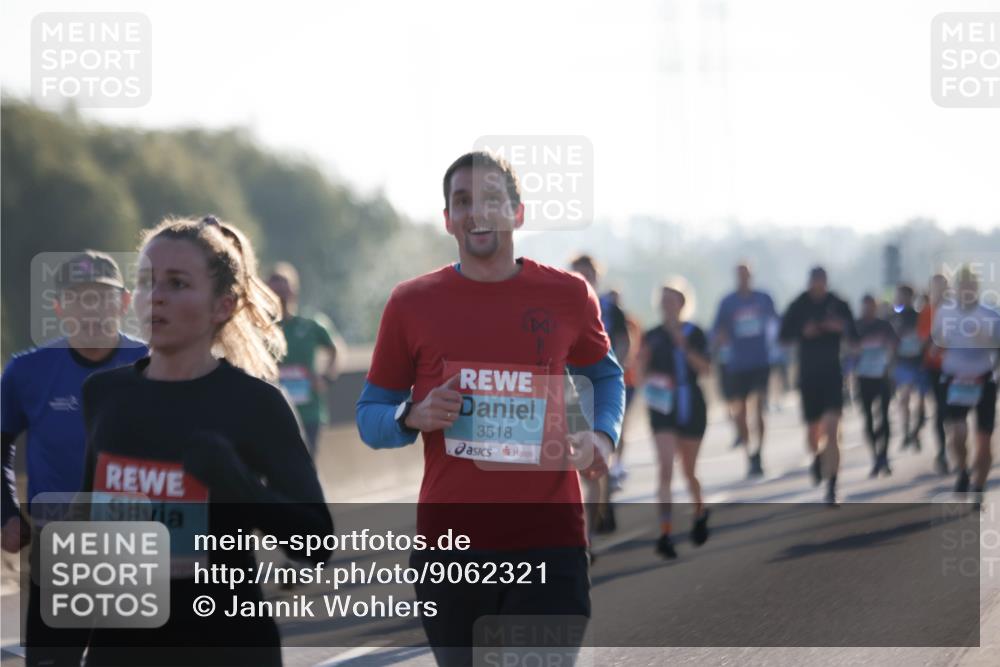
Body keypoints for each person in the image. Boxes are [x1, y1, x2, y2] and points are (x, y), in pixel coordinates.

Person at [355, 151, 624, 666]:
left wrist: (602, 435)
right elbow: (371, 413)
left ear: (517, 213)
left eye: (492, 199)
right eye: (463, 201)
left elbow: (604, 373)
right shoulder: (411, 302)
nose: (477, 212)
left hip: (550, 542)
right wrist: (411, 415)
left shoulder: (566, 295)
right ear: (448, 219)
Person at [79, 216, 333, 666]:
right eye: (145, 281)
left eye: (177, 284)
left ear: (223, 306)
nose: (155, 296)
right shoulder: (104, 394)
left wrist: (237, 484)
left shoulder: (256, 404)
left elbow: (315, 543)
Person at [1, 251, 147, 667]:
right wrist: (5, 513)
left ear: (122, 303)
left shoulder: (152, 364)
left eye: (102, 298)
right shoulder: (26, 372)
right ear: (61, 307)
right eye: (80, 298)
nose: (92, 309)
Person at [638, 280, 711, 559]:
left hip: (691, 404)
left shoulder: (695, 333)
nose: (667, 305)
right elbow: (641, 374)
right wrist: (642, 365)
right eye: (664, 300)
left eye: (673, 300)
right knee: (665, 467)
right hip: (662, 408)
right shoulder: (652, 335)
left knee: (689, 471)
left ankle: (700, 511)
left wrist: (685, 348)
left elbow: (706, 369)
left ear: (683, 303)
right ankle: (665, 532)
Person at [780, 266, 858, 506]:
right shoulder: (798, 305)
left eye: (822, 281)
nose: (818, 286)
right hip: (808, 375)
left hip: (833, 374)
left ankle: (832, 485)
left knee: (833, 429)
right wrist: (804, 331)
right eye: (814, 281)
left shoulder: (838, 303)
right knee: (813, 433)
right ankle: (817, 456)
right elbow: (783, 337)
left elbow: (855, 338)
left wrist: (839, 328)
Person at [931, 267, 1000, 504]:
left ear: (977, 288)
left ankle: (979, 486)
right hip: (955, 379)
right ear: (957, 288)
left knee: (984, 441)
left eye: (971, 285)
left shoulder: (990, 314)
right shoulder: (944, 312)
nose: (967, 290)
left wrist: (987, 341)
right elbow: (937, 342)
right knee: (958, 434)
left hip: (983, 380)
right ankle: (962, 470)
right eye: (963, 285)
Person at [711, 263, 778, 477]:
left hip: (759, 361)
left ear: (752, 276)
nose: (743, 279)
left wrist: (775, 348)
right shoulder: (728, 302)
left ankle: (759, 452)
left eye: (746, 275)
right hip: (737, 363)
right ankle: (749, 451)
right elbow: (716, 330)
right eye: (740, 275)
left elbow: (776, 324)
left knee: (758, 406)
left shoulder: (763, 298)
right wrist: (719, 340)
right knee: (739, 412)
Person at [267, 262, 341, 456]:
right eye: (275, 292)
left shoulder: (311, 324)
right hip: (273, 412)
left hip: (308, 411)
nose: (280, 298)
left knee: (307, 464)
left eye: (284, 290)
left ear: (294, 291)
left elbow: (336, 349)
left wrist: (326, 378)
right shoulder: (261, 329)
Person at [854, 294, 898, 477]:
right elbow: (848, 348)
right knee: (868, 420)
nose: (868, 310)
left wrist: (890, 363)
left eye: (871, 306)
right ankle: (875, 456)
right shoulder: (856, 326)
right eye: (865, 307)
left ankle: (884, 456)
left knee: (885, 417)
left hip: (882, 377)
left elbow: (895, 345)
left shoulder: (884, 325)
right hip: (864, 378)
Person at [918, 274, 951, 474]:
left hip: (955, 368)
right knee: (940, 410)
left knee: (953, 410)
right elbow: (923, 340)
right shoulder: (926, 312)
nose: (938, 291)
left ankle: (956, 444)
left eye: (942, 286)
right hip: (934, 367)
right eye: (935, 287)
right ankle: (942, 451)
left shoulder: (956, 309)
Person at [892, 284, 927, 451]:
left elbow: (926, 337)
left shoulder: (919, 316)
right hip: (903, 363)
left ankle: (916, 431)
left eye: (901, 295)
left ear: (909, 297)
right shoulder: (894, 317)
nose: (899, 299)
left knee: (921, 401)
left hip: (919, 363)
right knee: (904, 398)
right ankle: (906, 432)